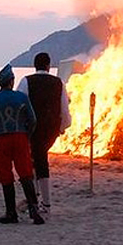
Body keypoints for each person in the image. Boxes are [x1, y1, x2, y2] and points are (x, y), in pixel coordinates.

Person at [0, 64, 44, 225]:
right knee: (25, 173)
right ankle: (34, 211)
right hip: (20, 138)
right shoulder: (21, 98)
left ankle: (11, 213)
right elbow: (33, 120)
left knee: (6, 175)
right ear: (12, 81)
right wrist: (27, 135)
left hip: (1, 140)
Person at [16, 52, 72, 213]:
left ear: (35, 66)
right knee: (39, 159)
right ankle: (35, 198)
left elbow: (20, 104)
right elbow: (64, 108)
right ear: (48, 65)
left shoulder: (26, 81)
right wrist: (63, 127)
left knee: (37, 161)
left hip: (32, 128)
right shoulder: (59, 83)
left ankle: (44, 203)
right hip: (51, 130)